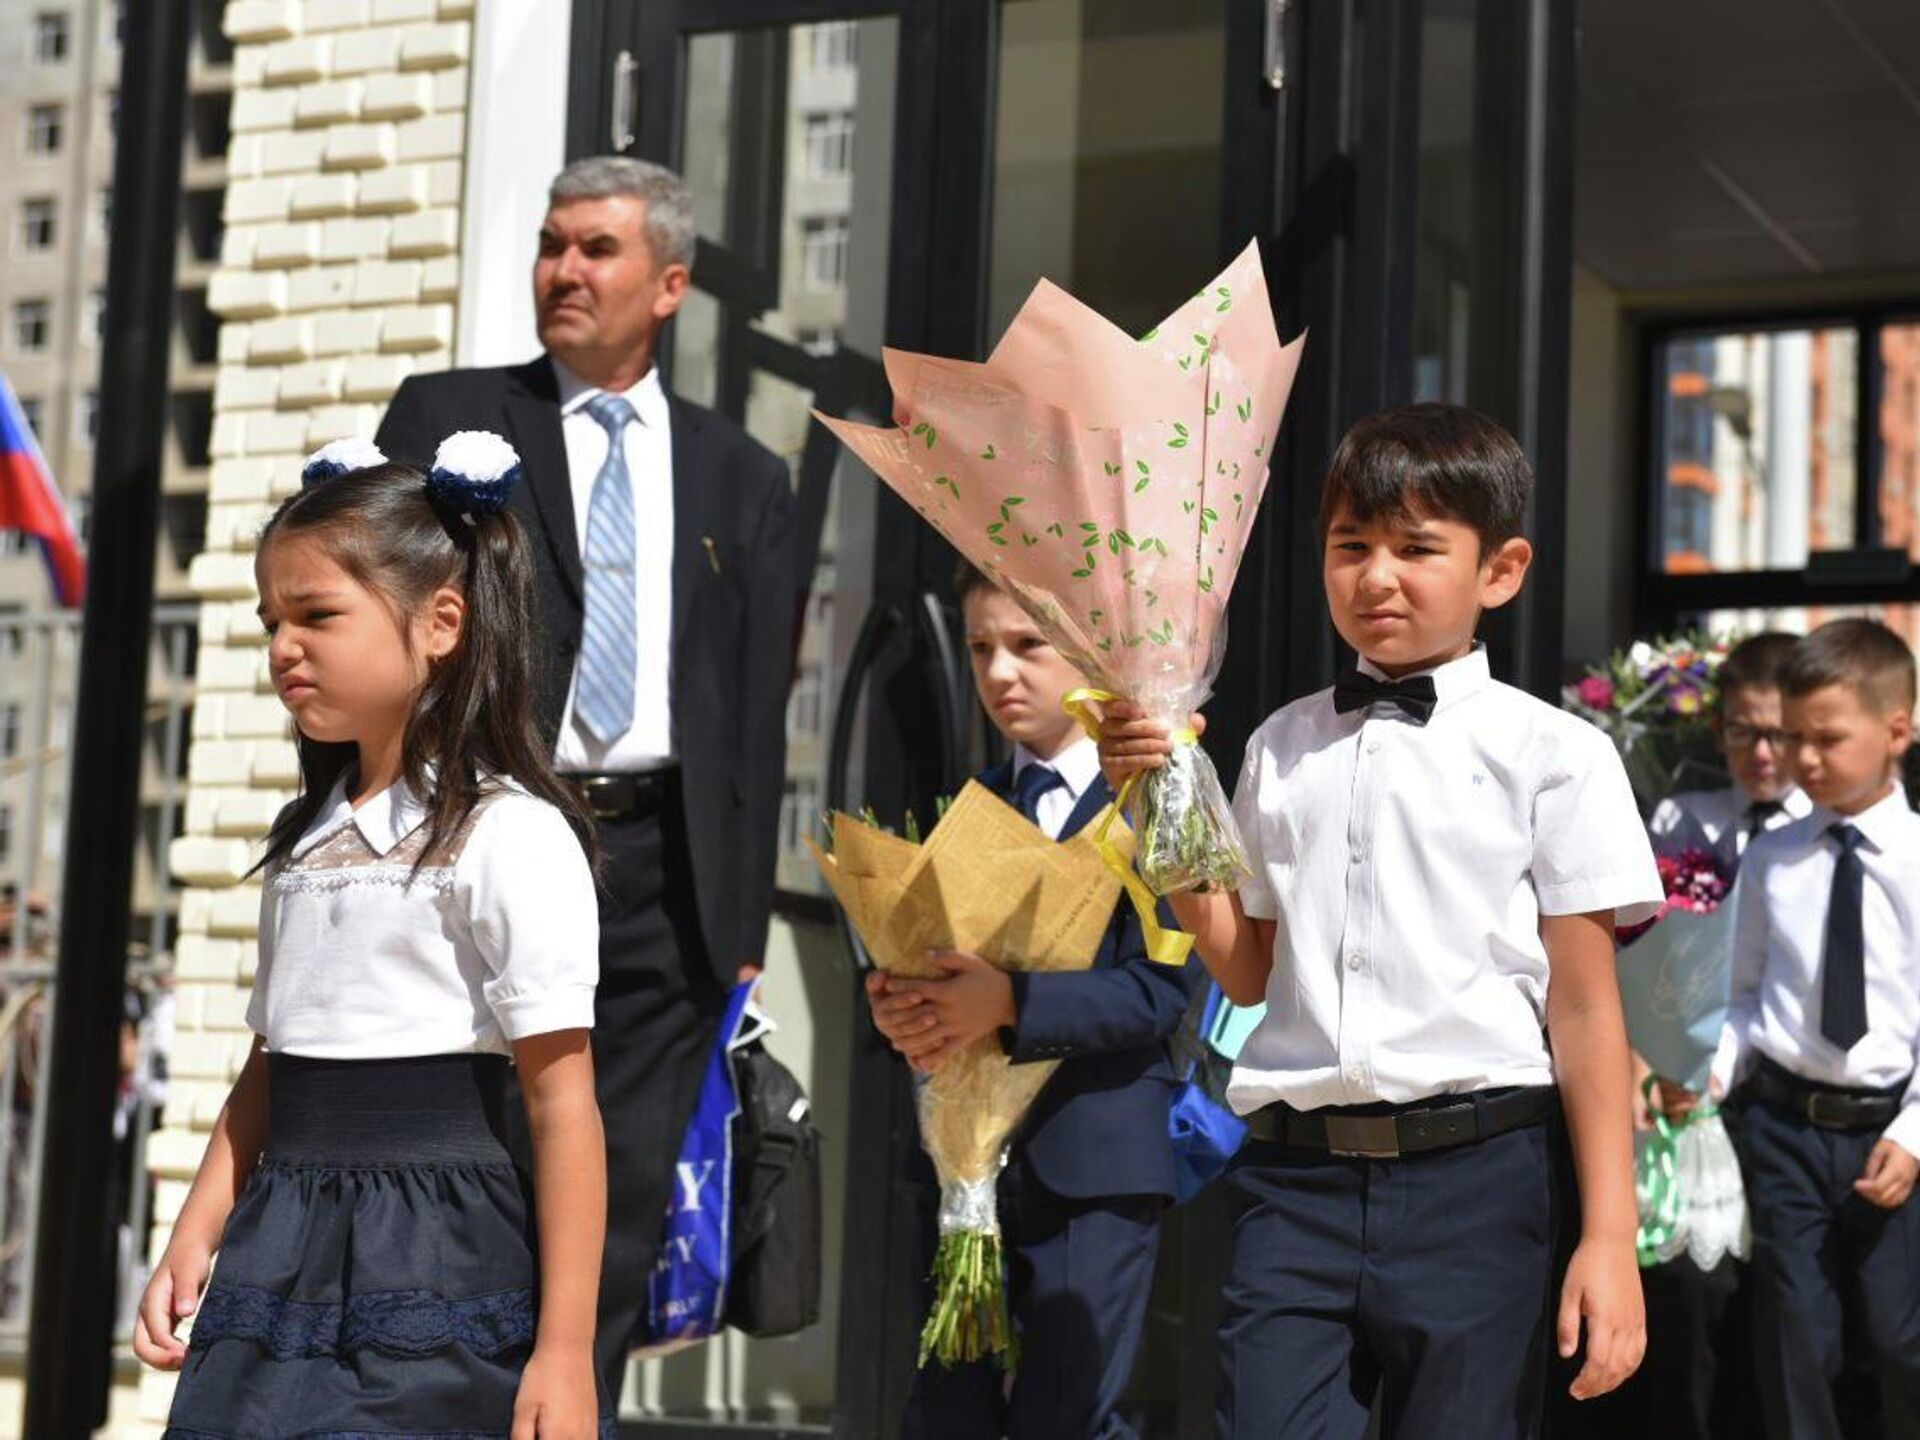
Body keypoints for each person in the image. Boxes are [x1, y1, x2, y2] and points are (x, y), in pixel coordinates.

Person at [1099, 404, 1664, 1438]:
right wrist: (1158, 797)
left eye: (1416, 548)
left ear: (1500, 570)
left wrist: (1609, 1238)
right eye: (1350, 546)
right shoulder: (1278, 745)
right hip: (1294, 1183)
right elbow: (1246, 972)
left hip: (1480, 1184)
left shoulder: (1556, 756)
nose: (1376, 576)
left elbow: (1584, 1011)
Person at [374, 157, 795, 1394]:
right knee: (463, 1167)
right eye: (553, 243)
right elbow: (377, 611)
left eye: (595, 250)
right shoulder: (447, 417)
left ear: (669, 284)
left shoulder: (743, 475)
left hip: (665, 876)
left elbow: (752, 711)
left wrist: (746, 920)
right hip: (496, 831)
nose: (563, 269)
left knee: (612, 1211)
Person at [134, 436, 609, 1438]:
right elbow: (274, 1057)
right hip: (281, 1244)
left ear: (442, 623)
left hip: (429, 1256)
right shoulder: (309, 844)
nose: (281, 648)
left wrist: (565, 1353)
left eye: (316, 615)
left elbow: (563, 1104)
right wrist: (199, 1222)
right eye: (271, 621)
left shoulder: (507, 835)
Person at [866, 563, 1198, 1440]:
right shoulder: (972, 800)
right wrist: (904, 1004)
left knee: (1067, 1415)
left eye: (1027, 646)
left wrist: (1009, 1001)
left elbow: (1161, 992)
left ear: (1092, 658)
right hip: (967, 1170)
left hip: (1094, 1163)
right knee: (945, 1418)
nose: (1000, 673)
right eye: (982, 649)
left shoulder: (1154, 795)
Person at [1713, 617, 1920, 1439]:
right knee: (1797, 1343)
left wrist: (1914, 1135)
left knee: (1900, 1343)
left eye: (1826, 739)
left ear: (1897, 730)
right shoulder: (1773, 859)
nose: (1801, 760)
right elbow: (1744, 995)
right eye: (1793, 737)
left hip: (1888, 1135)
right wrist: (1703, 1076)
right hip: (1786, 1132)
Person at [1649, 630, 1811, 868]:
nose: (1761, 754)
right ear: (1719, 731)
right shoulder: (1680, 816)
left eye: (1779, 734)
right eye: (1742, 732)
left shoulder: (1829, 826)